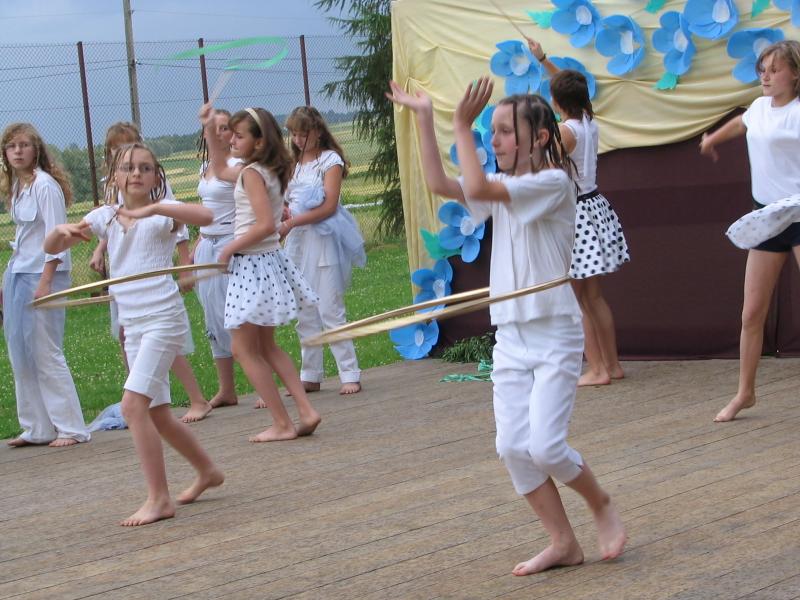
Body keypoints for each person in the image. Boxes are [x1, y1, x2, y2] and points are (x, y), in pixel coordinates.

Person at [386, 77, 626, 574]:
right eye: (490, 131)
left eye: (503, 131)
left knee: (547, 447)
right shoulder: (503, 189)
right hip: (511, 337)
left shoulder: (553, 183)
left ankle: (600, 502)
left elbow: (476, 186)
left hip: (554, 332)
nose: (493, 140)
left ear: (540, 137)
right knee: (513, 448)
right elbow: (441, 184)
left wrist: (460, 123)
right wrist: (426, 118)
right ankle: (563, 543)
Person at [44, 142, 223, 526]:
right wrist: (59, 232)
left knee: (131, 406)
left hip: (163, 319)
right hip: (134, 325)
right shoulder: (105, 217)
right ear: (115, 176)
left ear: (157, 176)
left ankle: (159, 499)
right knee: (157, 413)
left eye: (144, 167)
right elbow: (54, 245)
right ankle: (207, 471)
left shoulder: (162, 215)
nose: (136, 173)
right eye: (128, 167)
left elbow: (206, 215)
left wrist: (157, 208)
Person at [200, 104, 321, 442]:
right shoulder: (267, 170)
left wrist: (229, 247)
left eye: (238, 136)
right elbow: (219, 167)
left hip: (252, 265)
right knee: (267, 347)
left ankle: (282, 423)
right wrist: (209, 128)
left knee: (243, 349)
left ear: (259, 141)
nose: (231, 140)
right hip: (267, 262)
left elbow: (267, 224)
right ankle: (305, 411)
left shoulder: (252, 174)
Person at [700, 40, 800, 422]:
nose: (766, 76)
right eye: (763, 70)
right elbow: (742, 123)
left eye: (775, 70)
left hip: (799, 214)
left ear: (795, 74)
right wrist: (713, 138)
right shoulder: (758, 108)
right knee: (752, 312)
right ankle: (745, 393)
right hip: (767, 218)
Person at [92, 122, 212, 423]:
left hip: (153, 288)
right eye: (116, 149)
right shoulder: (114, 184)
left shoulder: (151, 182)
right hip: (126, 286)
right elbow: (114, 222)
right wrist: (98, 249)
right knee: (128, 337)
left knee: (163, 343)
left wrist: (184, 263)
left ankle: (192, 398)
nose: (124, 155)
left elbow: (178, 222)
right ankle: (139, 397)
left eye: (128, 145)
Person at [527, 39, 628, 386]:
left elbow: (544, 167)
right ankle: (612, 365)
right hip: (594, 207)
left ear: (557, 103)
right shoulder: (587, 120)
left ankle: (597, 369)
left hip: (576, 217)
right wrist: (543, 59)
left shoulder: (567, 132)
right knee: (594, 297)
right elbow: (569, 86)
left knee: (578, 300)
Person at [1, 122, 90, 448]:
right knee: (19, 353)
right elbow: (24, 236)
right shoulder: (17, 187)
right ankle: (37, 427)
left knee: (45, 351)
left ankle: (71, 427)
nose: (18, 152)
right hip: (19, 272)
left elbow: (58, 236)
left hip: (43, 274)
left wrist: (46, 281)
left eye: (24, 145)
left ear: (36, 149)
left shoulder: (45, 186)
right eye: (12, 147)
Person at [282, 106, 366, 396]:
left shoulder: (330, 161)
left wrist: (292, 221)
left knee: (330, 307)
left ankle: (349, 372)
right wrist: (284, 215)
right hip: (298, 242)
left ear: (317, 131)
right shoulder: (292, 165)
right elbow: (287, 200)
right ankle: (310, 373)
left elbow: (329, 206)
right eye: (293, 134)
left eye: (303, 134)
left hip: (323, 238)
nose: (298, 140)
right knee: (304, 310)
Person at [192, 109, 242, 409]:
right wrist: (198, 243)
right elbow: (205, 208)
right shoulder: (205, 166)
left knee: (236, 316)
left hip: (230, 244)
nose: (219, 133)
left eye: (225, 128)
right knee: (212, 316)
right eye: (214, 128)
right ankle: (227, 389)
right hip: (207, 245)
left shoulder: (237, 166)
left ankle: (264, 387)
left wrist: (235, 243)